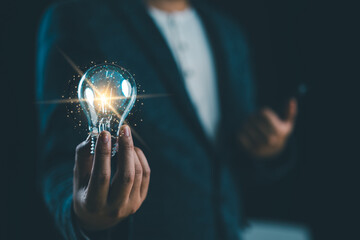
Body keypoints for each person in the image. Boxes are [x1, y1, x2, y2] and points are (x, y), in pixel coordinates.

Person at [36, 0, 297, 239]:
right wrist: (83, 215)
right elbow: (60, 160)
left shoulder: (228, 33)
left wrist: (269, 147)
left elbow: (227, 157)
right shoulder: (79, 17)